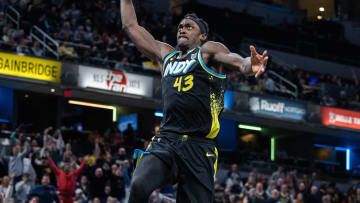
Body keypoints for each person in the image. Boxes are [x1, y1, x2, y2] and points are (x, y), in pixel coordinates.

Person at [120, 0, 268, 202]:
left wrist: (251, 64)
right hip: (167, 139)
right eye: (180, 26)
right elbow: (131, 27)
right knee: (138, 184)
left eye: (189, 27)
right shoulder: (166, 55)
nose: (182, 30)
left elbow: (238, 62)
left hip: (200, 147)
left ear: (202, 35)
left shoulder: (208, 51)